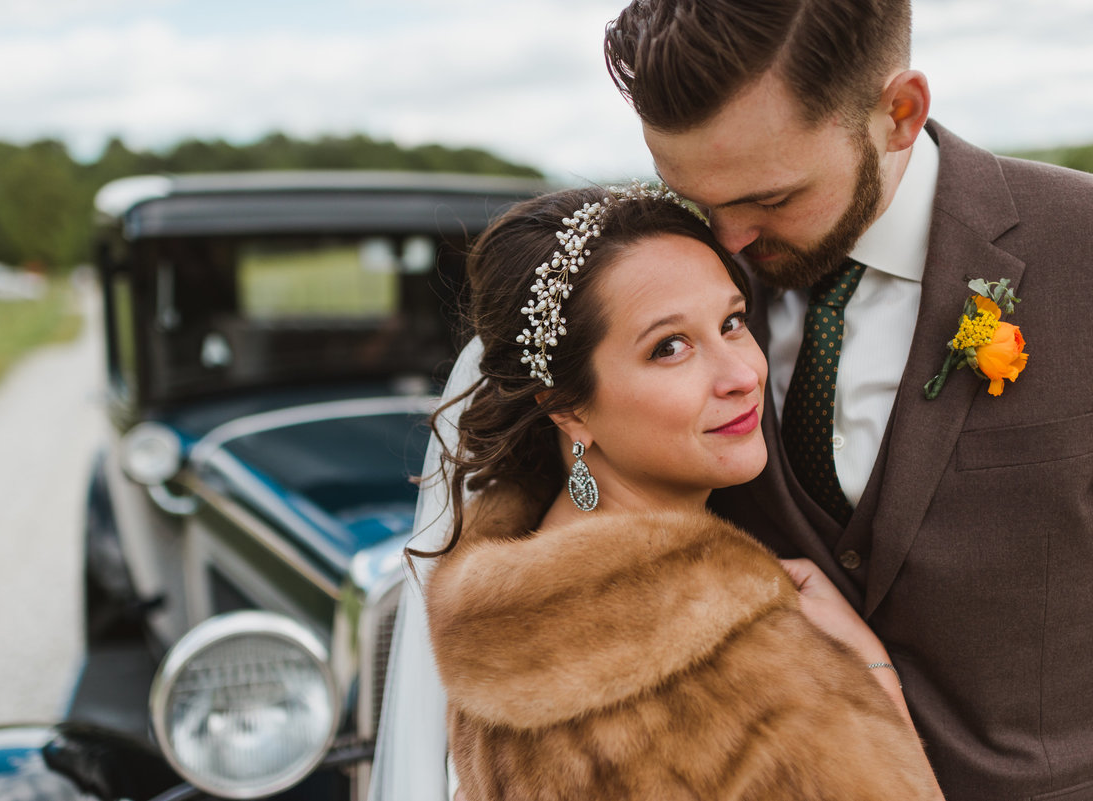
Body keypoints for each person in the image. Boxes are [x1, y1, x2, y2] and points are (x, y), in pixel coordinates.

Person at [371, 1, 1093, 799]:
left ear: (899, 113)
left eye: (772, 198)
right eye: (691, 194)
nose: (731, 237)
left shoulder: (1080, 253)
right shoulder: (668, 270)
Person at [425, 184, 941, 799]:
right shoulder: (743, 670)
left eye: (732, 322)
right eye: (670, 347)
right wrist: (869, 670)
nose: (742, 375)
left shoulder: (510, 617)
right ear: (568, 409)